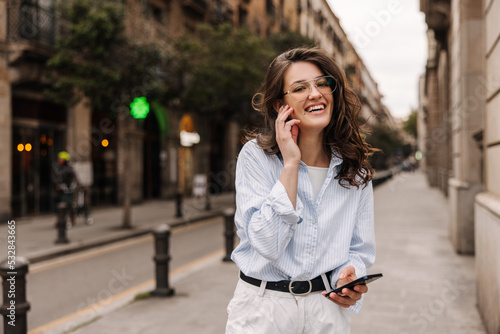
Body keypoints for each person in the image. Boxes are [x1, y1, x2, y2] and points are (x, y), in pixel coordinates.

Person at [226, 47, 377, 333]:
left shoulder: (355, 169)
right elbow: (268, 244)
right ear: (279, 106)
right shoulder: (256, 157)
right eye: (299, 88)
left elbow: (360, 249)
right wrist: (291, 163)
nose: (315, 93)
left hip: (326, 313)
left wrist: (351, 276)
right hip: (264, 311)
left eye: (322, 83)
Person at [52, 151, 78, 229]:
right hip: (60, 191)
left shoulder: (69, 169)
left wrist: (70, 186)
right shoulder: (57, 168)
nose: (60, 160)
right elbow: (54, 178)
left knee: (69, 205)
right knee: (60, 205)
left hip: (68, 190)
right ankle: (60, 220)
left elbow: (73, 179)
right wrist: (58, 184)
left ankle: (71, 218)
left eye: (61, 159)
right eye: (59, 159)